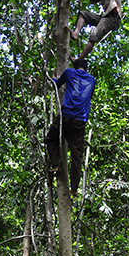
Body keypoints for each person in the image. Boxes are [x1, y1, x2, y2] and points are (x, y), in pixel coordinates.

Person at [45, 58, 96, 197]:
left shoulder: (69, 73)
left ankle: (55, 164)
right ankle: (74, 187)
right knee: (77, 155)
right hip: (80, 121)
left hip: (65, 116)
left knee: (50, 138)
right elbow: (88, 96)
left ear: (75, 67)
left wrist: (54, 78)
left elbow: (57, 85)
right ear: (86, 68)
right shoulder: (92, 80)